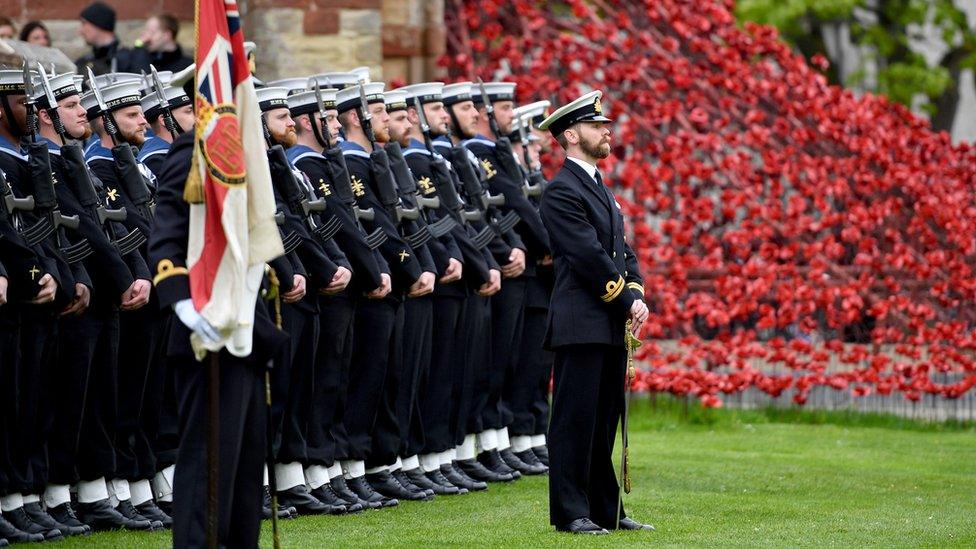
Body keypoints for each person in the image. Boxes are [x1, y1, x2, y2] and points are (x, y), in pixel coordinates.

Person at [538, 90, 653, 535]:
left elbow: (623, 251)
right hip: (579, 323)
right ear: (571, 134)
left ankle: (607, 510)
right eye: (596, 126)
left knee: (604, 421)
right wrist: (628, 300)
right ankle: (570, 513)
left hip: (607, 322)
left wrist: (637, 292)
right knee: (574, 422)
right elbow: (587, 256)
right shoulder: (561, 191)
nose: (607, 131)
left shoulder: (598, 186)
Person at [76, 2, 150, 75]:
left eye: (84, 23)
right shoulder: (83, 62)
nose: (80, 31)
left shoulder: (129, 59)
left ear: (98, 24)